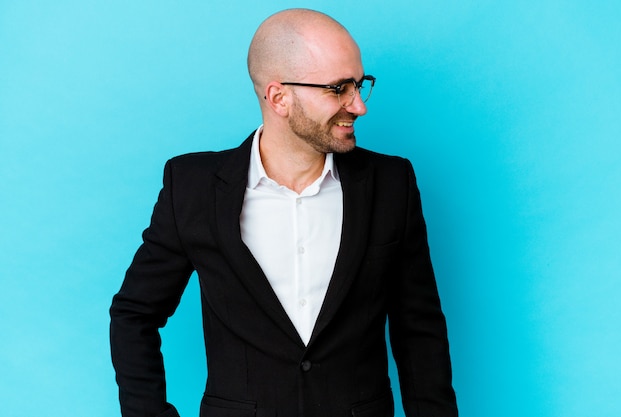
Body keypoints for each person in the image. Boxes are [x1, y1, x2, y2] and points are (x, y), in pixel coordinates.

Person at [110, 8, 458, 417]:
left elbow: (419, 331)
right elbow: (134, 314)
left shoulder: (392, 183)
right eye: (338, 89)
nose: (359, 105)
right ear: (279, 97)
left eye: (361, 85)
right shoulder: (192, 187)